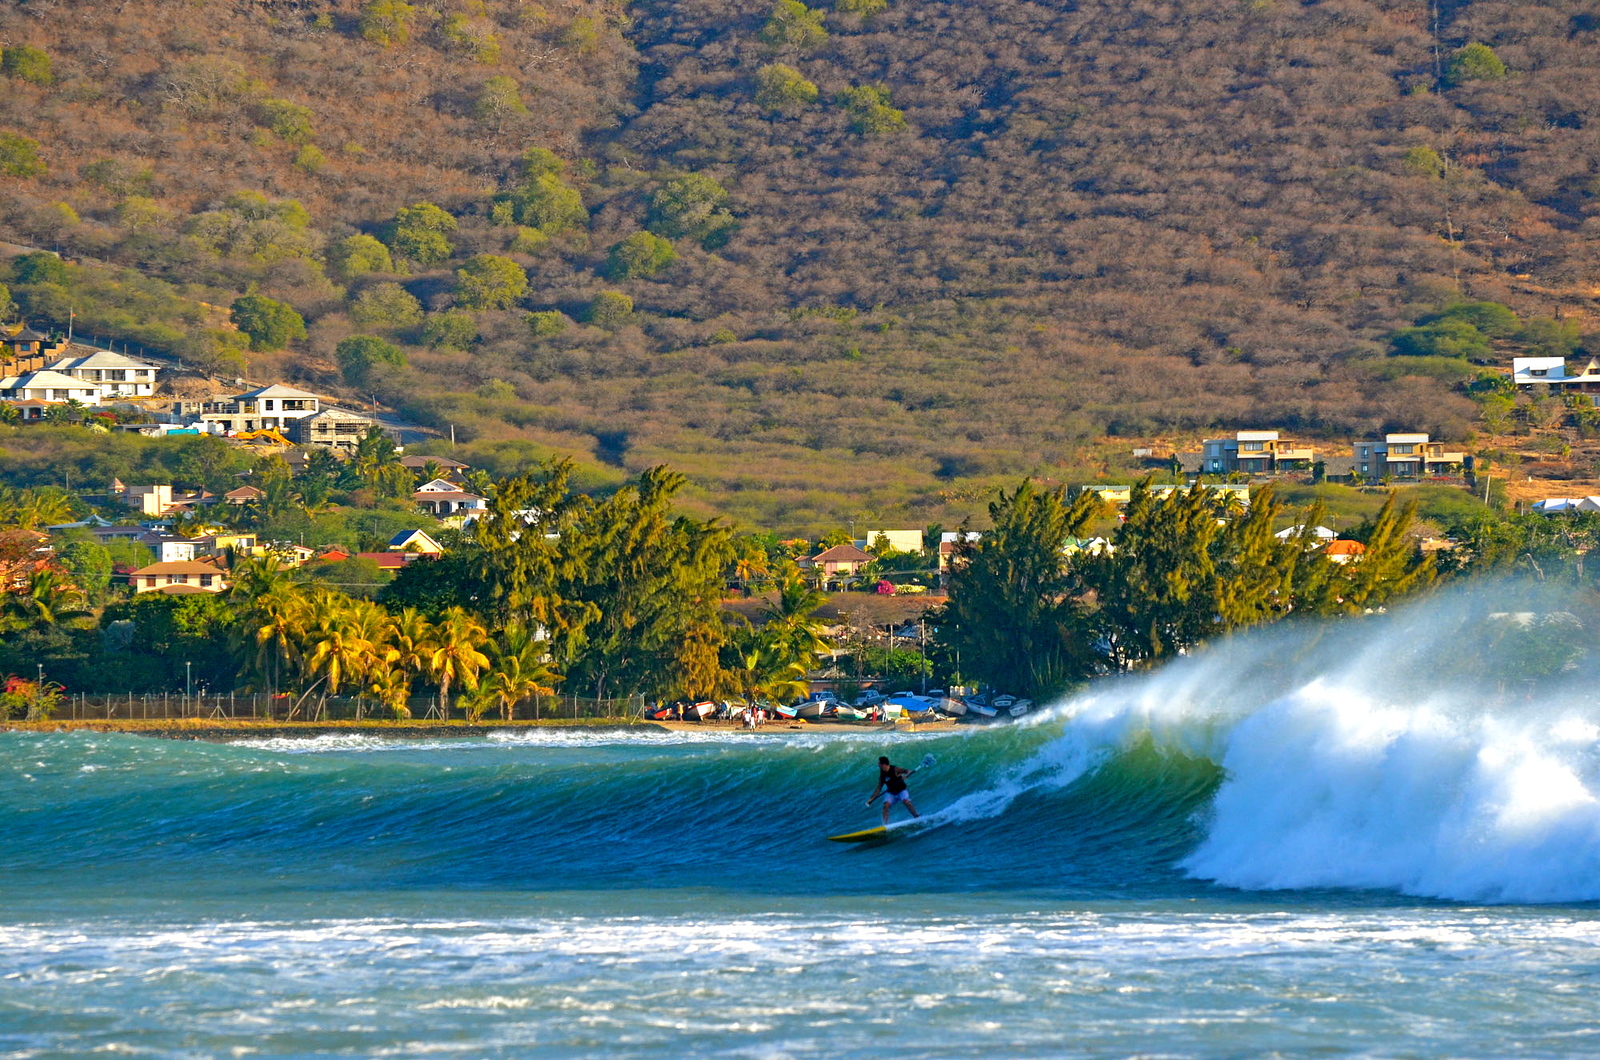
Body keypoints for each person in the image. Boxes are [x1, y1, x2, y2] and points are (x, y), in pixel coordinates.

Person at [867, 755, 920, 825]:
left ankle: (916, 816)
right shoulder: (882, 773)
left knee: (906, 801)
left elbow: (908, 771)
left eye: (879, 763)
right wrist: (872, 798)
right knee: (885, 805)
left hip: (901, 790)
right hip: (891, 792)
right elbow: (879, 788)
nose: (878, 764)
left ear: (883, 764)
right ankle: (885, 825)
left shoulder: (895, 769)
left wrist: (906, 775)